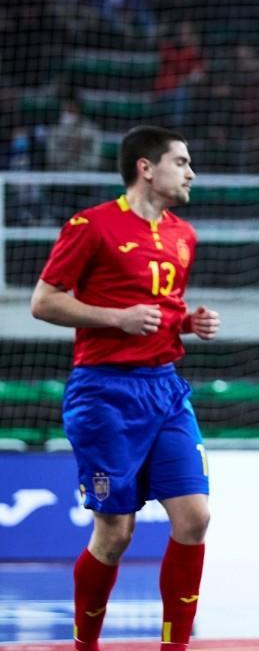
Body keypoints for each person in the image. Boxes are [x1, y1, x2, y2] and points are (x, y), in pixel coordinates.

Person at [30, 126, 222, 651]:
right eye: (181, 162)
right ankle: (85, 645)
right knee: (115, 535)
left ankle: (174, 647)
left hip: (165, 389)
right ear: (146, 168)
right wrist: (115, 317)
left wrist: (189, 323)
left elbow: (162, 311)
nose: (190, 173)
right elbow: (44, 302)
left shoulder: (185, 235)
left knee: (196, 518)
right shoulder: (90, 226)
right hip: (103, 395)